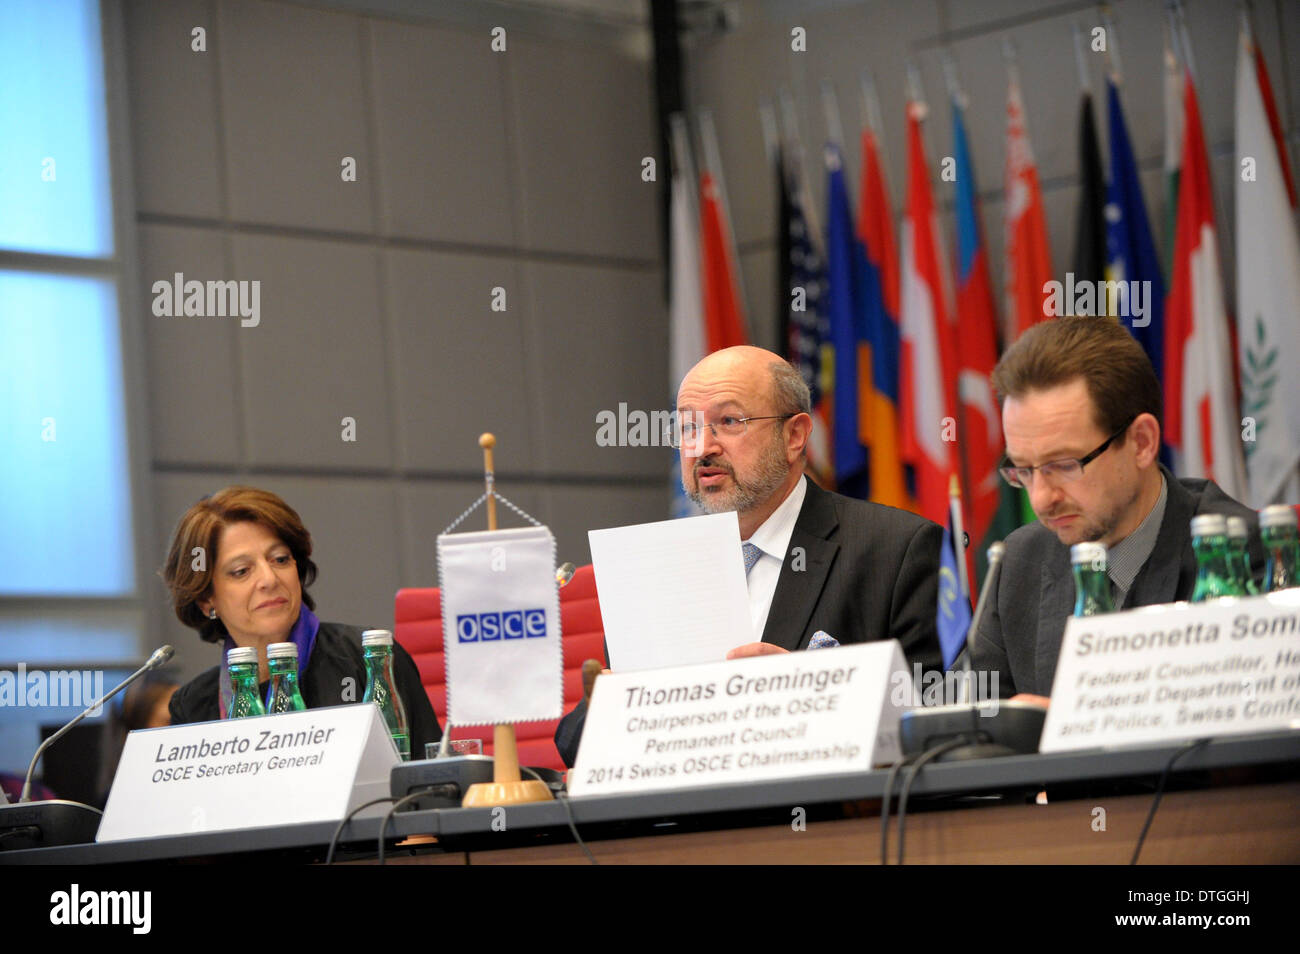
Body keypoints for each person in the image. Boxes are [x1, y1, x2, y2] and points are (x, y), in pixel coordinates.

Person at [555, 346, 943, 766]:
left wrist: (816, 696)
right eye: (687, 426)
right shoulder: (659, 566)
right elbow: (573, 745)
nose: (702, 447)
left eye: (729, 421)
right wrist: (609, 709)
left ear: (794, 435)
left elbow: (938, 718)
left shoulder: (896, 549)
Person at [972, 318, 1263, 702]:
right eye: (1023, 470)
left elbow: (1250, 737)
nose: (1040, 499)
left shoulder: (1242, 555)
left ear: (1141, 442)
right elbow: (969, 733)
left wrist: (1066, 726)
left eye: (1063, 465)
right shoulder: (1017, 566)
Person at [162, 486, 440, 752]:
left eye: (280, 559)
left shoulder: (368, 659)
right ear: (205, 599)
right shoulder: (194, 706)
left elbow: (432, 782)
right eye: (242, 571)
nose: (269, 579)